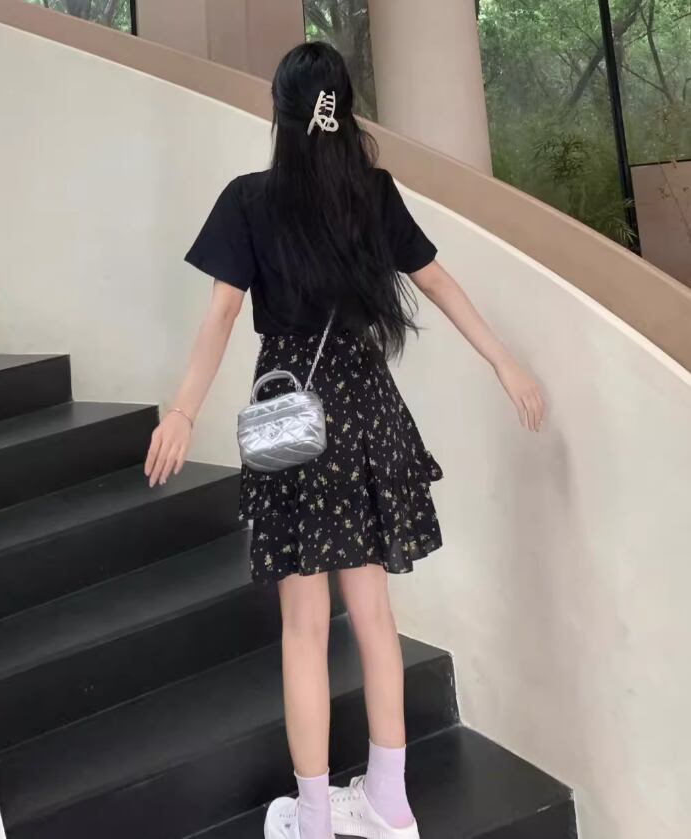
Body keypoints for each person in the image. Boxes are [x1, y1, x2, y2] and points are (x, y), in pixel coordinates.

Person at [144, 41, 544, 839]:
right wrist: (503, 360)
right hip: (368, 412)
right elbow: (436, 280)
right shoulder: (372, 193)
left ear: (282, 114)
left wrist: (182, 410)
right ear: (344, 110)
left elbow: (221, 314)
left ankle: (317, 817)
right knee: (373, 616)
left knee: (304, 626)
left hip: (294, 418)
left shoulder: (250, 200)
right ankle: (390, 804)